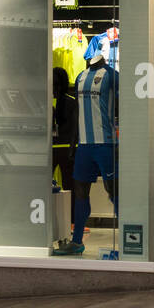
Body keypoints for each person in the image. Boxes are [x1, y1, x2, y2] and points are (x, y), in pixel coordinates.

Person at [53, 56, 116, 256]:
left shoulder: (112, 75)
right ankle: (77, 241)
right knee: (80, 191)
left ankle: (128, 239)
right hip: (84, 146)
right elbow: (77, 113)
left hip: (105, 143)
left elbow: (127, 105)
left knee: (113, 191)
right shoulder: (81, 75)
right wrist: (74, 143)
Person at [51, 65, 77, 205]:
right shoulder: (70, 101)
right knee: (67, 185)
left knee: (68, 185)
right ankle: (67, 218)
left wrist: (72, 147)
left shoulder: (70, 102)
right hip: (60, 148)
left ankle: (68, 218)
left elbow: (75, 128)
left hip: (63, 148)